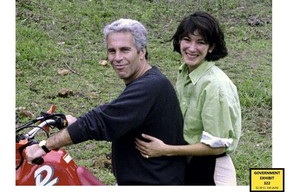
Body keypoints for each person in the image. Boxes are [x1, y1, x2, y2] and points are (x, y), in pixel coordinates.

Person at [25, 18, 186, 185]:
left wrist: (43, 147)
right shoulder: (147, 80)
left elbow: (100, 121)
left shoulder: (150, 86)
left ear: (142, 51)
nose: (117, 58)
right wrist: (76, 122)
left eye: (125, 50)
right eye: (112, 51)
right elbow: (114, 116)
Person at [135, 11, 242, 186]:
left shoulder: (215, 86)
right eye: (187, 40)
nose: (192, 48)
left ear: (212, 47)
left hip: (211, 170)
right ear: (179, 41)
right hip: (189, 165)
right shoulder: (185, 72)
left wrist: (165, 150)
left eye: (200, 42)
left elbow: (217, 146)